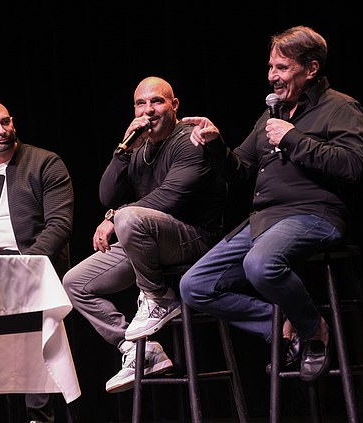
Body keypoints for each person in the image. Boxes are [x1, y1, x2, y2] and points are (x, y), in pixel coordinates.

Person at [179, 26, 363, 382]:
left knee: (260, 264)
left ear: (310, 69)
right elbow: (239, 172)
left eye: (282, 68)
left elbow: (352, 166)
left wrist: (294, 138)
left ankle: (313, 330)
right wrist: (215, 144)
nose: (272, 77)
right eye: (271, 67)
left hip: (315, 214)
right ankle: (286, 326)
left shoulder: (342, 108)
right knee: (195, 286)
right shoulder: (271, 114)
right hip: (264, 220)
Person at [62, 76, 227, 393]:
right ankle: (139, 351)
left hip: (194, 239)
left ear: (174, 105)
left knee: (128, 216)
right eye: (141, 103)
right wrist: (123, 150)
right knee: (75, 283)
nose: (149, 110)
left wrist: (116, 217)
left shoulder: (190, 141)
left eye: (157, 101)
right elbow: (106, 195)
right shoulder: (138, 148)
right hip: (147, 241)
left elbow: (171, 197)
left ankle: (158, 296)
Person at [0, 100, 74, 423]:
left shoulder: (46, 163)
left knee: (32, 317)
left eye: (5, 122)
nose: (1, 131)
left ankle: (39, 414)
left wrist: (26, 264)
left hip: (36, 269)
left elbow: (60, 224)